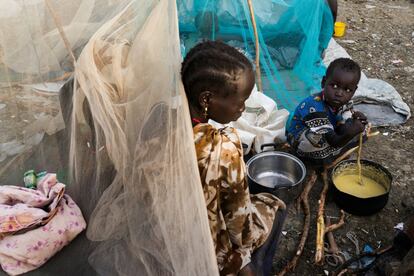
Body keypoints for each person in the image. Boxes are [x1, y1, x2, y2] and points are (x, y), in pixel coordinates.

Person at [181, 40, 286, 276]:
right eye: (241, 101)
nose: (243, 108)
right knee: (273, 206)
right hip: (202, 237)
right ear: (206, 99)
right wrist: (242, 256)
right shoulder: (222, 146)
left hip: (167, 223)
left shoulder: (162, 115)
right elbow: (239, 225)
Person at [286, 58, 367, 166]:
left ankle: (333, 152)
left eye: (347, 90)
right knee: (315, 142)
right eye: (334, 86)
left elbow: (342, 123)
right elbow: (333, 141)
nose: (339, 93)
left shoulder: (345, 102)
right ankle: (318, 160)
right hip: (300, 140)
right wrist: (350, 132)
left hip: (329, 131)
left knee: (361, 129)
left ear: (354, 91)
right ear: (324, 82)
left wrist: (356, 121)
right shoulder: (314, 106)